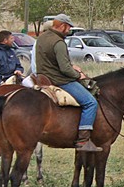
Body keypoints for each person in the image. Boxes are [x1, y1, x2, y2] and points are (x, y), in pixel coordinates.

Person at [36, 13, 100, 152]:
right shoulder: (59, 43)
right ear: (62, 26)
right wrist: (78, 75)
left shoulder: (42, 37)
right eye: (68, 27)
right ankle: (83, 140)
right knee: (91, 102)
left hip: (42, 78)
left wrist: (71, 66)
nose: (69, 30)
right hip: (59, 80)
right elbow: (64, 69)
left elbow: (51, 61)